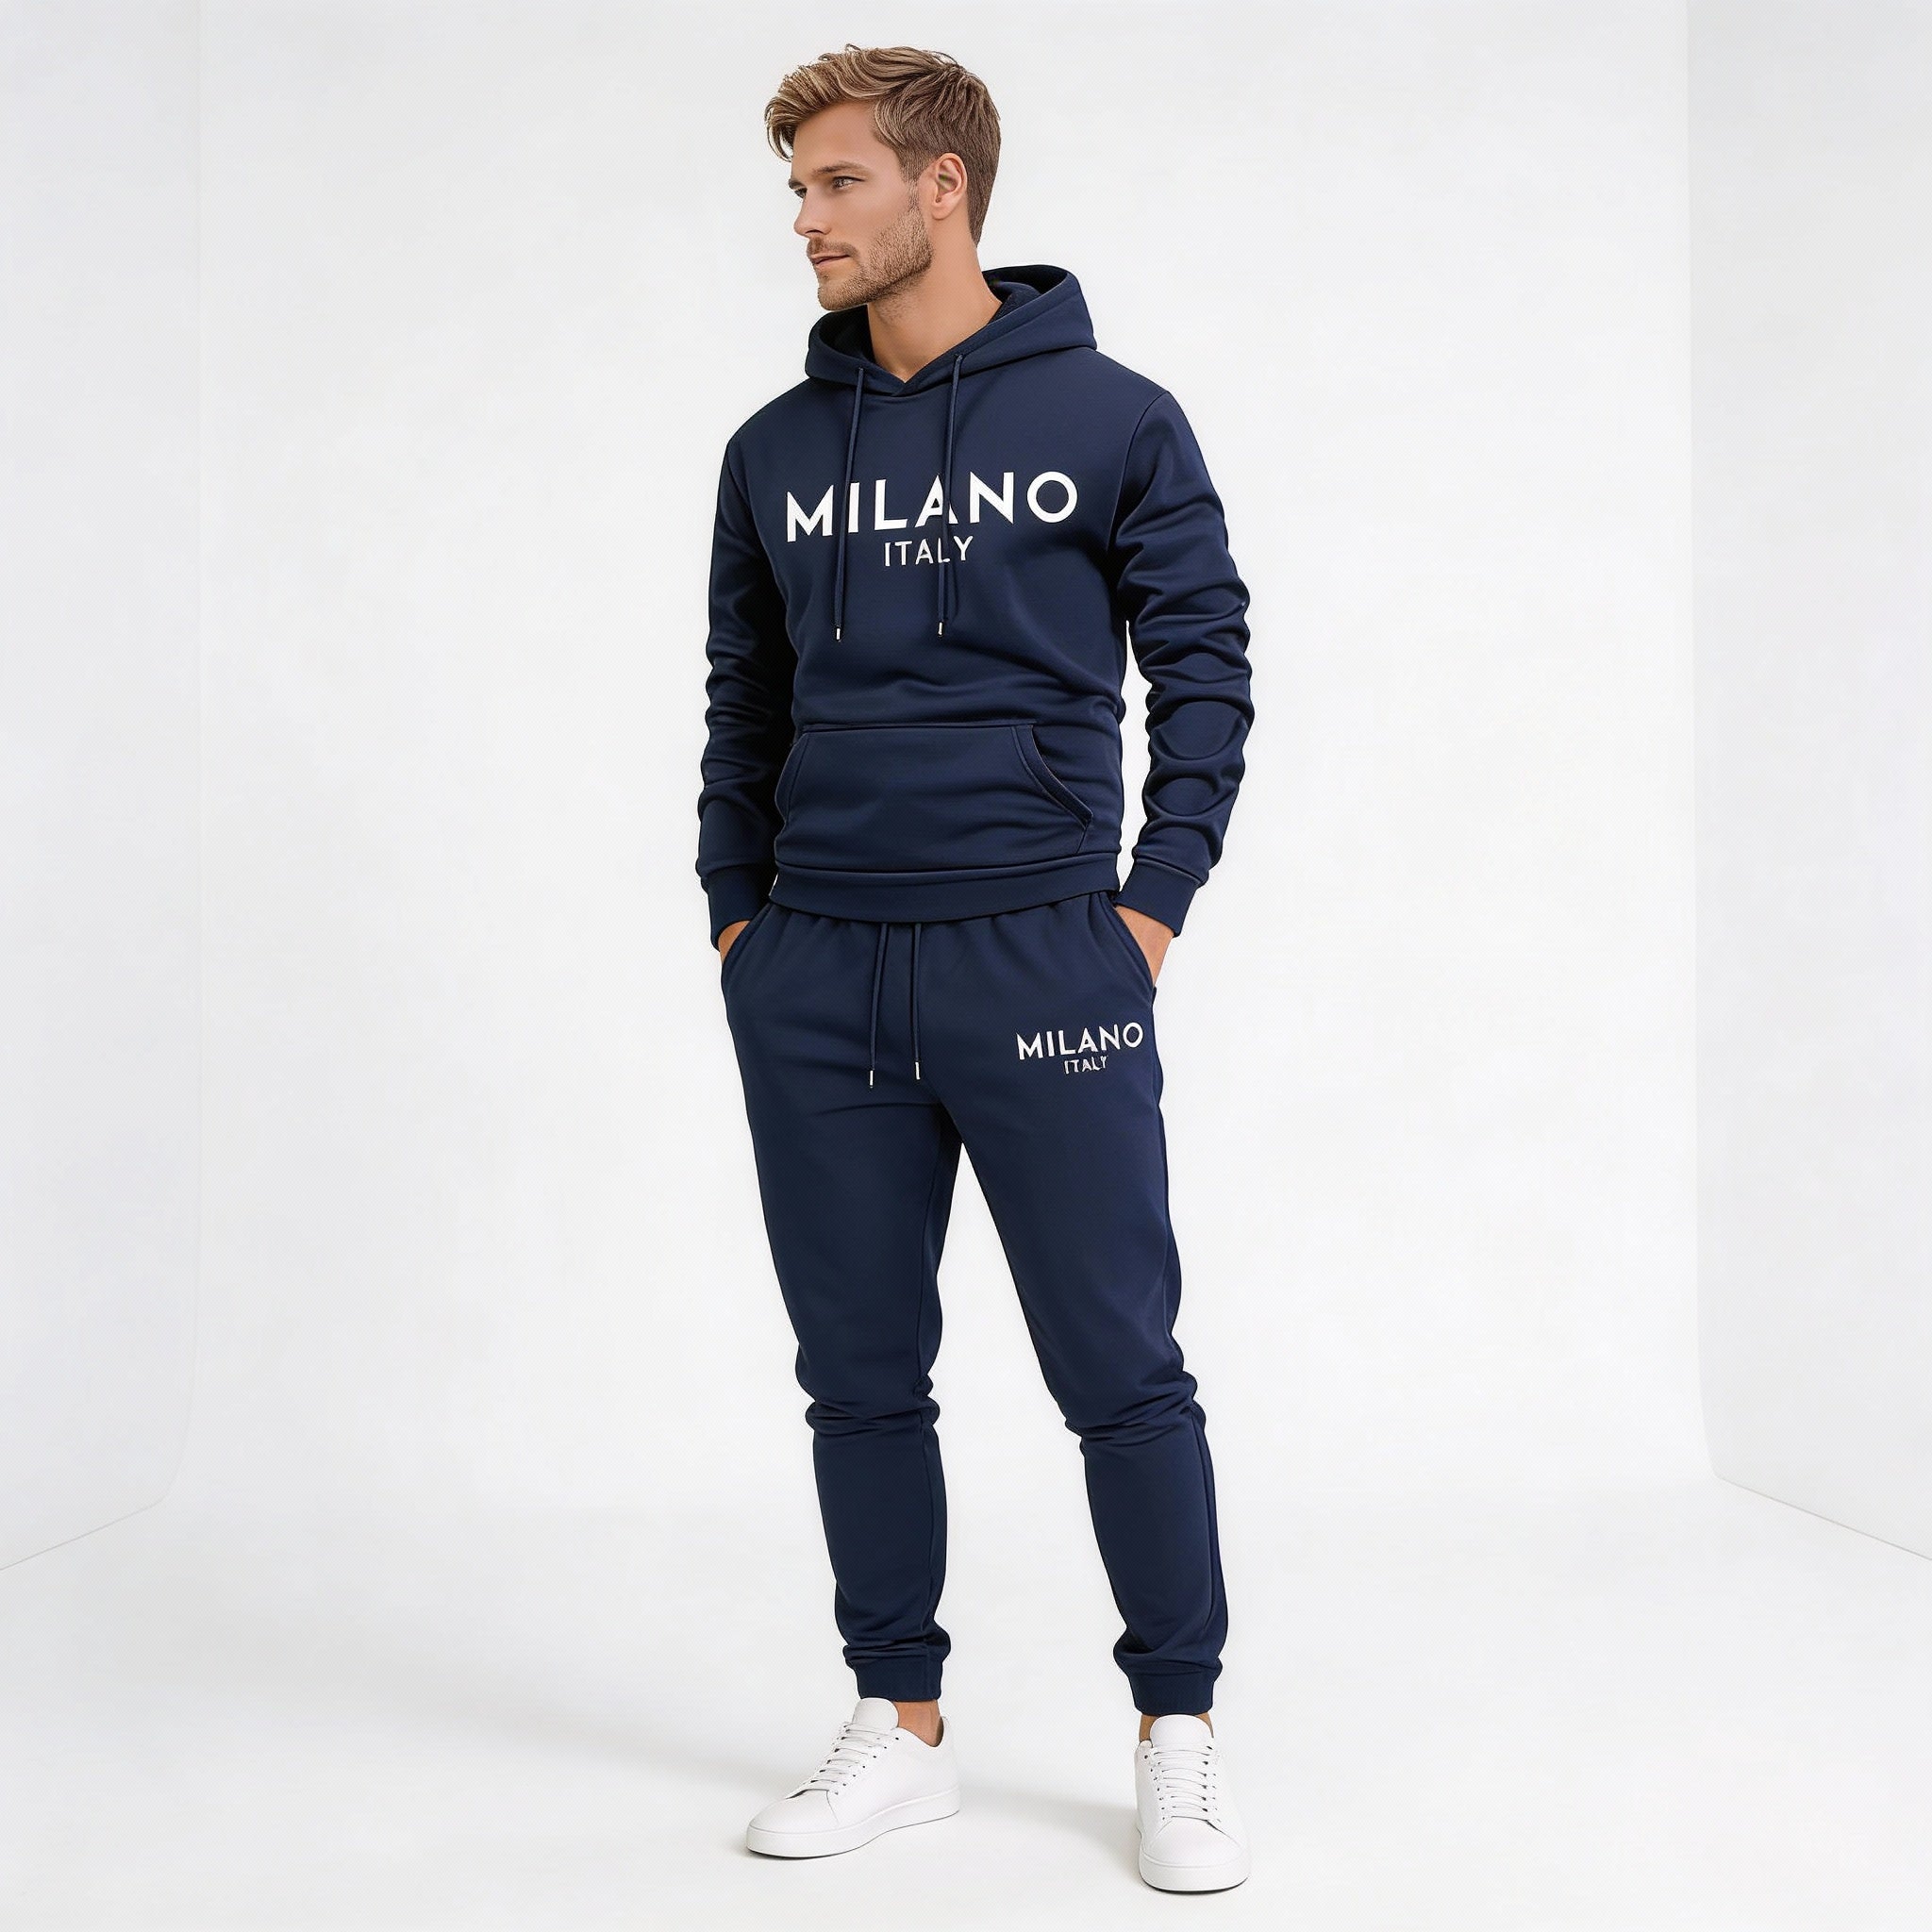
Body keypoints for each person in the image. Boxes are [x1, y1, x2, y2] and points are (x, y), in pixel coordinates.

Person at [696, 43, 1255, 1893]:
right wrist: (737, 916)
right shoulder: (776, 450)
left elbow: (1206, 667)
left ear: (942, 187)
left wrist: (1147, 905)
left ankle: (1177, 1730)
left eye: (836, 181)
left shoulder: (1117, 418)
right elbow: (745, 702)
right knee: (857, 1372)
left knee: (1120, 1365)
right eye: (797, 188)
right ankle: (901, 1722)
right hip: (817, 967)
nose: (804, 219)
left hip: (1040, 953)